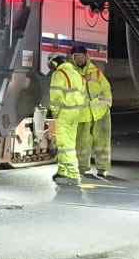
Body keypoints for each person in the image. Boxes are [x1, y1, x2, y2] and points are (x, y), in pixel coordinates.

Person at [48, 44, 92, 187]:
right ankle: (63, 172)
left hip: (65, 113)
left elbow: (56, 96)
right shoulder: (75, 73)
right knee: (69, 143)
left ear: (55, 63)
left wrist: (55, 113)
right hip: (76, 113)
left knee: (64, 145)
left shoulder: (59, 74)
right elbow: (83, 94)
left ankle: (72, 175)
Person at [81, 51, 114, 181]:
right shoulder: (73, 73)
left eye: (81, 56)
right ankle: (82, 167)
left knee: (102, 142)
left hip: (100, 112)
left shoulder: (96, 73)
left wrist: (107, 105)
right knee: (82, 142)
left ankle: (102, 168)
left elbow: (106, 89)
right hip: (85, 113)